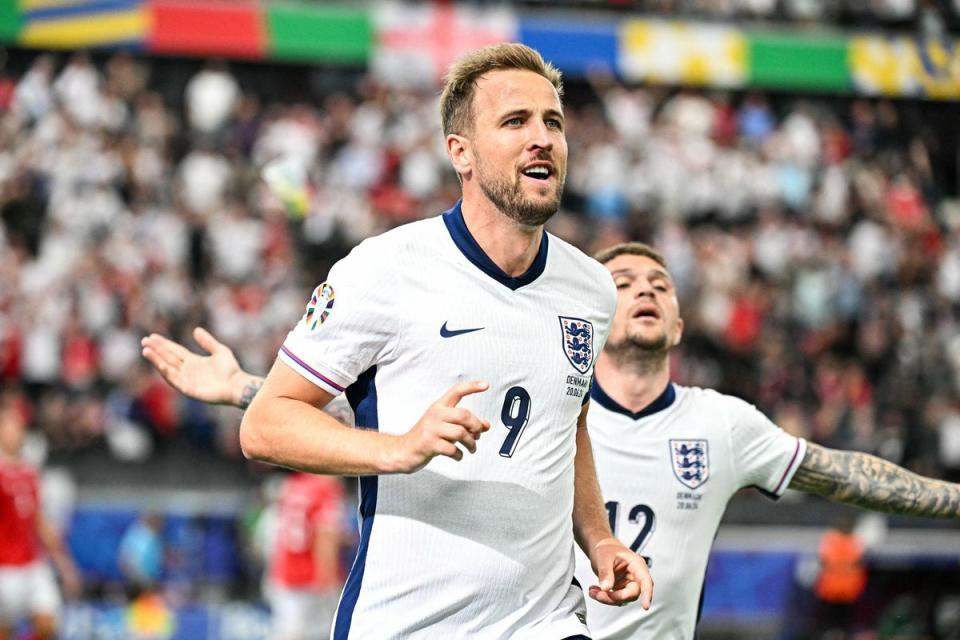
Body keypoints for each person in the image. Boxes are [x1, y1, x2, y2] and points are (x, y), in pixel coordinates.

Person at [146, 242, 960, 640]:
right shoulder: (548, 411)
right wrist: (244, 389)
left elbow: (838, 473)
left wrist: (952, 500)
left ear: (678, 322)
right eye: (623, 281)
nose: (641, 291)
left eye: (660, 285)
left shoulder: (724, 424)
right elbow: (367, 422)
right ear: (582, 322)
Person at [148, 43, 652, 639]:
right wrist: (400, 448)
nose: (541, 137)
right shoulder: (385, 269)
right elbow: (266, 425)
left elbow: (568, 424)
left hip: (545, 622)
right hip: (409, 623)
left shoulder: (592, 287)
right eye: (515, 121)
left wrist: (597, 537)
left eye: (553, 122)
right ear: (460, 153)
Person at [0, 397, 82, 640]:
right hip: (4, 569)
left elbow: (39, 522)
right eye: (12, 427)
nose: (19, 433)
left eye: (21, 427)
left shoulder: (29, 473)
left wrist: (65, 565)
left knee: (48, 624)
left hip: (32, 566)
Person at [265, 471, 347, 640]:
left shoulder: (294, 484)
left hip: (283, 572)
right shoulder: (325, 489)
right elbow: (325, 538)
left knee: (288, 633)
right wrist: (330, 581)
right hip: (310, 577)